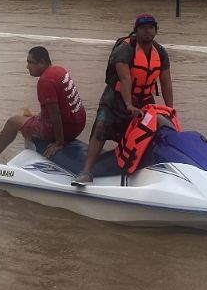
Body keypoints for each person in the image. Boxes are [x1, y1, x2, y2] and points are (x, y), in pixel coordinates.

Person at [71, 13, 173, 185]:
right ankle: (86, 171)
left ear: (156, 30)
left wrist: (170, 109)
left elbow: (166, 83)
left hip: (145, 101)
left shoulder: (160, 52)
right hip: (115, 100)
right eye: (143, 28)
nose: (147, 32)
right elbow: (125, 79)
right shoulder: (124, 50)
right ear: (136, 31)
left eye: (150, 28)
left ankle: (141, 170)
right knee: (100, 130)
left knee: (148, 134)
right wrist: (129, 105)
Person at [0, 46, 86, 164]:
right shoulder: (59, 70)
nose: (27, 67)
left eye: (30, 63)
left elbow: (55, 115)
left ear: (42, 62)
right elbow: (62, 105)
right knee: (29, 118)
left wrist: (59, 143)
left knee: (13, 122)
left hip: (67, 130)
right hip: (78, 125)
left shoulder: (45, 81)